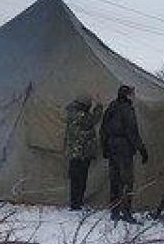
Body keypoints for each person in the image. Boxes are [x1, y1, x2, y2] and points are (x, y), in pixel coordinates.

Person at [100, 85, 148, 223]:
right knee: (127, 181)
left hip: (112, 147)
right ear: (127, 95)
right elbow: (132, 131)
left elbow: (103, 130)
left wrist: (105, 148)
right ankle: (126, 212)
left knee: (114, 181)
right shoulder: (126, 109)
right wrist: (142, 149)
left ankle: (114, 211)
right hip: (124, 148)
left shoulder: (111, 107)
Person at [63, 93, 103, 211]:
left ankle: (76, 203)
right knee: (80, 179)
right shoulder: (80, 115)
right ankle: (76, 204)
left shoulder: (73, 113)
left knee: (77, 179)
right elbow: (92, 120)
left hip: (76, 153)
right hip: (81, 153)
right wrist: (99, 106)